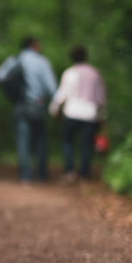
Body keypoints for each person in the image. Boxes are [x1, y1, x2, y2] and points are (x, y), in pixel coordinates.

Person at [0, 36, 58, 182]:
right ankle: (41, 175)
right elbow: (52, 88)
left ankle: (25, 175)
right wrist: (51, 102)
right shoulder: (42, 61)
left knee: (22, 141)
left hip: (20, 105)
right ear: (33, 45)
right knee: (41, 139)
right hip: (38, 105)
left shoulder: (14, 60)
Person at [48, 45, 107, 182]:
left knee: (67, 141)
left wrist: (54, 109)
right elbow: (101, 98)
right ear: (86, 56)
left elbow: (61, 94)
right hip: (90, 114)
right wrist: (103, 116)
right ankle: (84, 174)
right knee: (86, 144)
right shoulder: (95, 73)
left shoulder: (69, 73)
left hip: (72, 112)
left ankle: (70, 171)